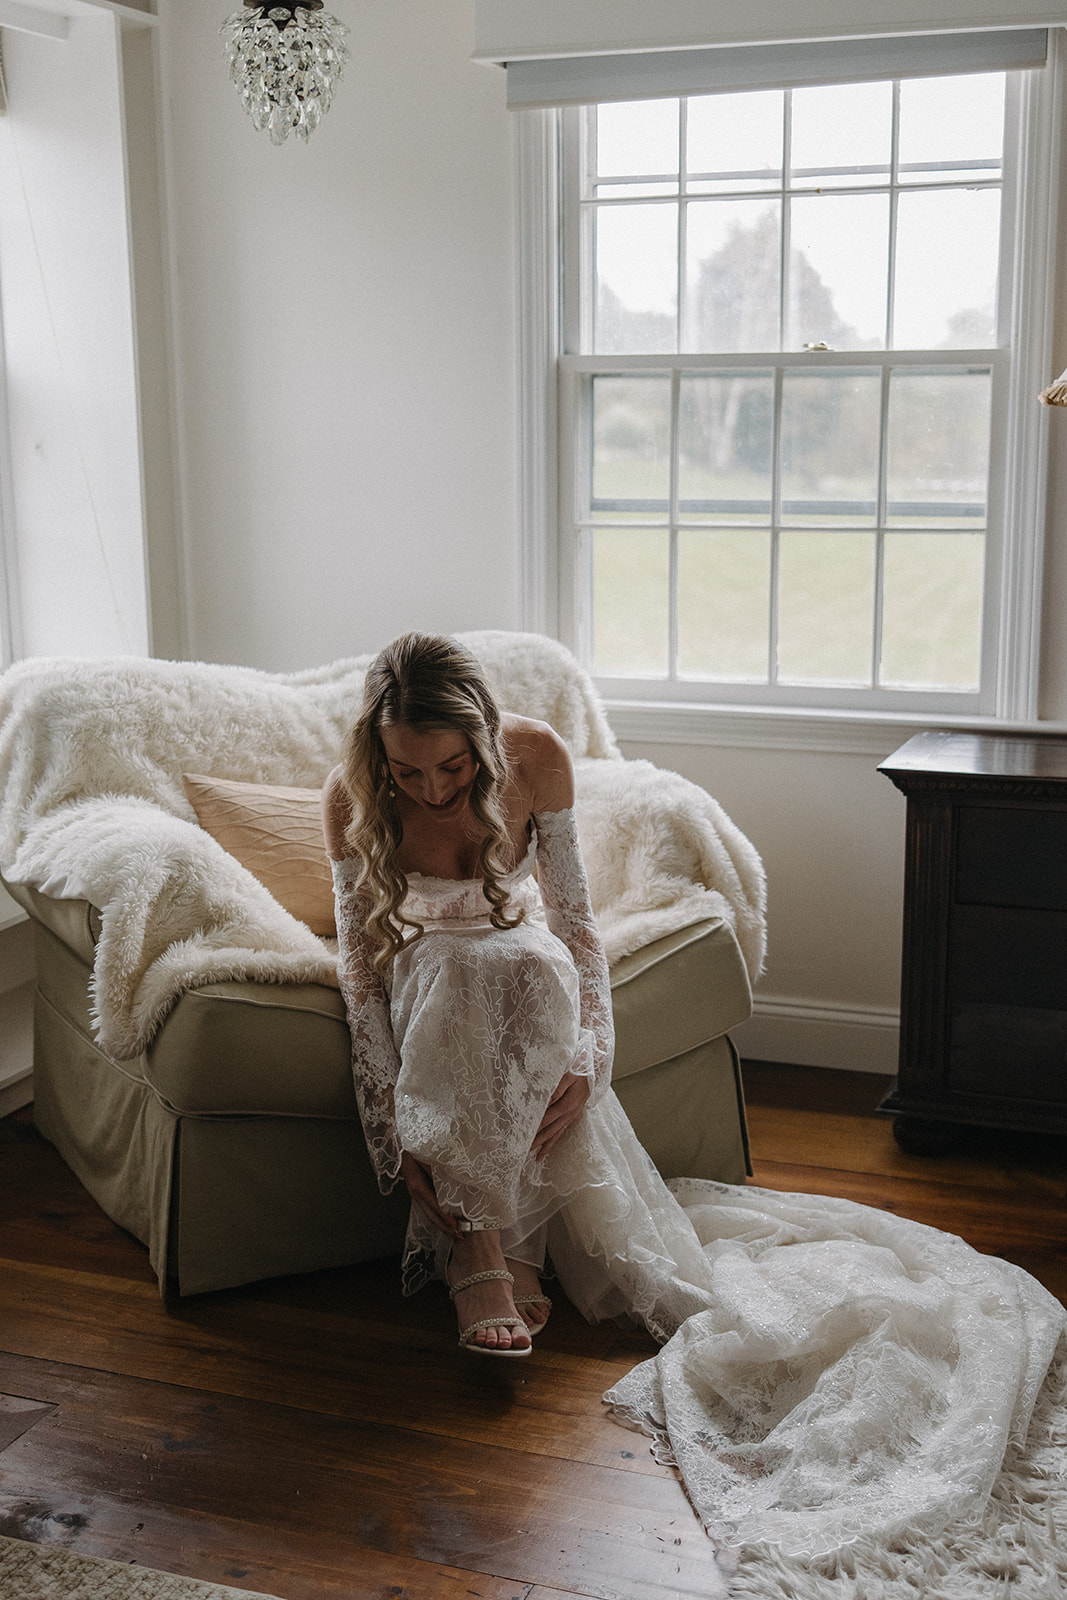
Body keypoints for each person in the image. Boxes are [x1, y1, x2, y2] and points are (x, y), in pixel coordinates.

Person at [323, 632, 1066, 1549]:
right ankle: (488, 1250)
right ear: (375, 751)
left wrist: (592, 1056)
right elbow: (360, 971)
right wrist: (389, 1132)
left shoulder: (536, 758)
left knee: (517, 958)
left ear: (482, 739)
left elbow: (578, 928)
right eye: (406, 770)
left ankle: (500, 1257)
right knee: (464, 968)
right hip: (427, 982)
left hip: (527, 976)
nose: (431, 789)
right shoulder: (349, 799)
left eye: (450, 766)